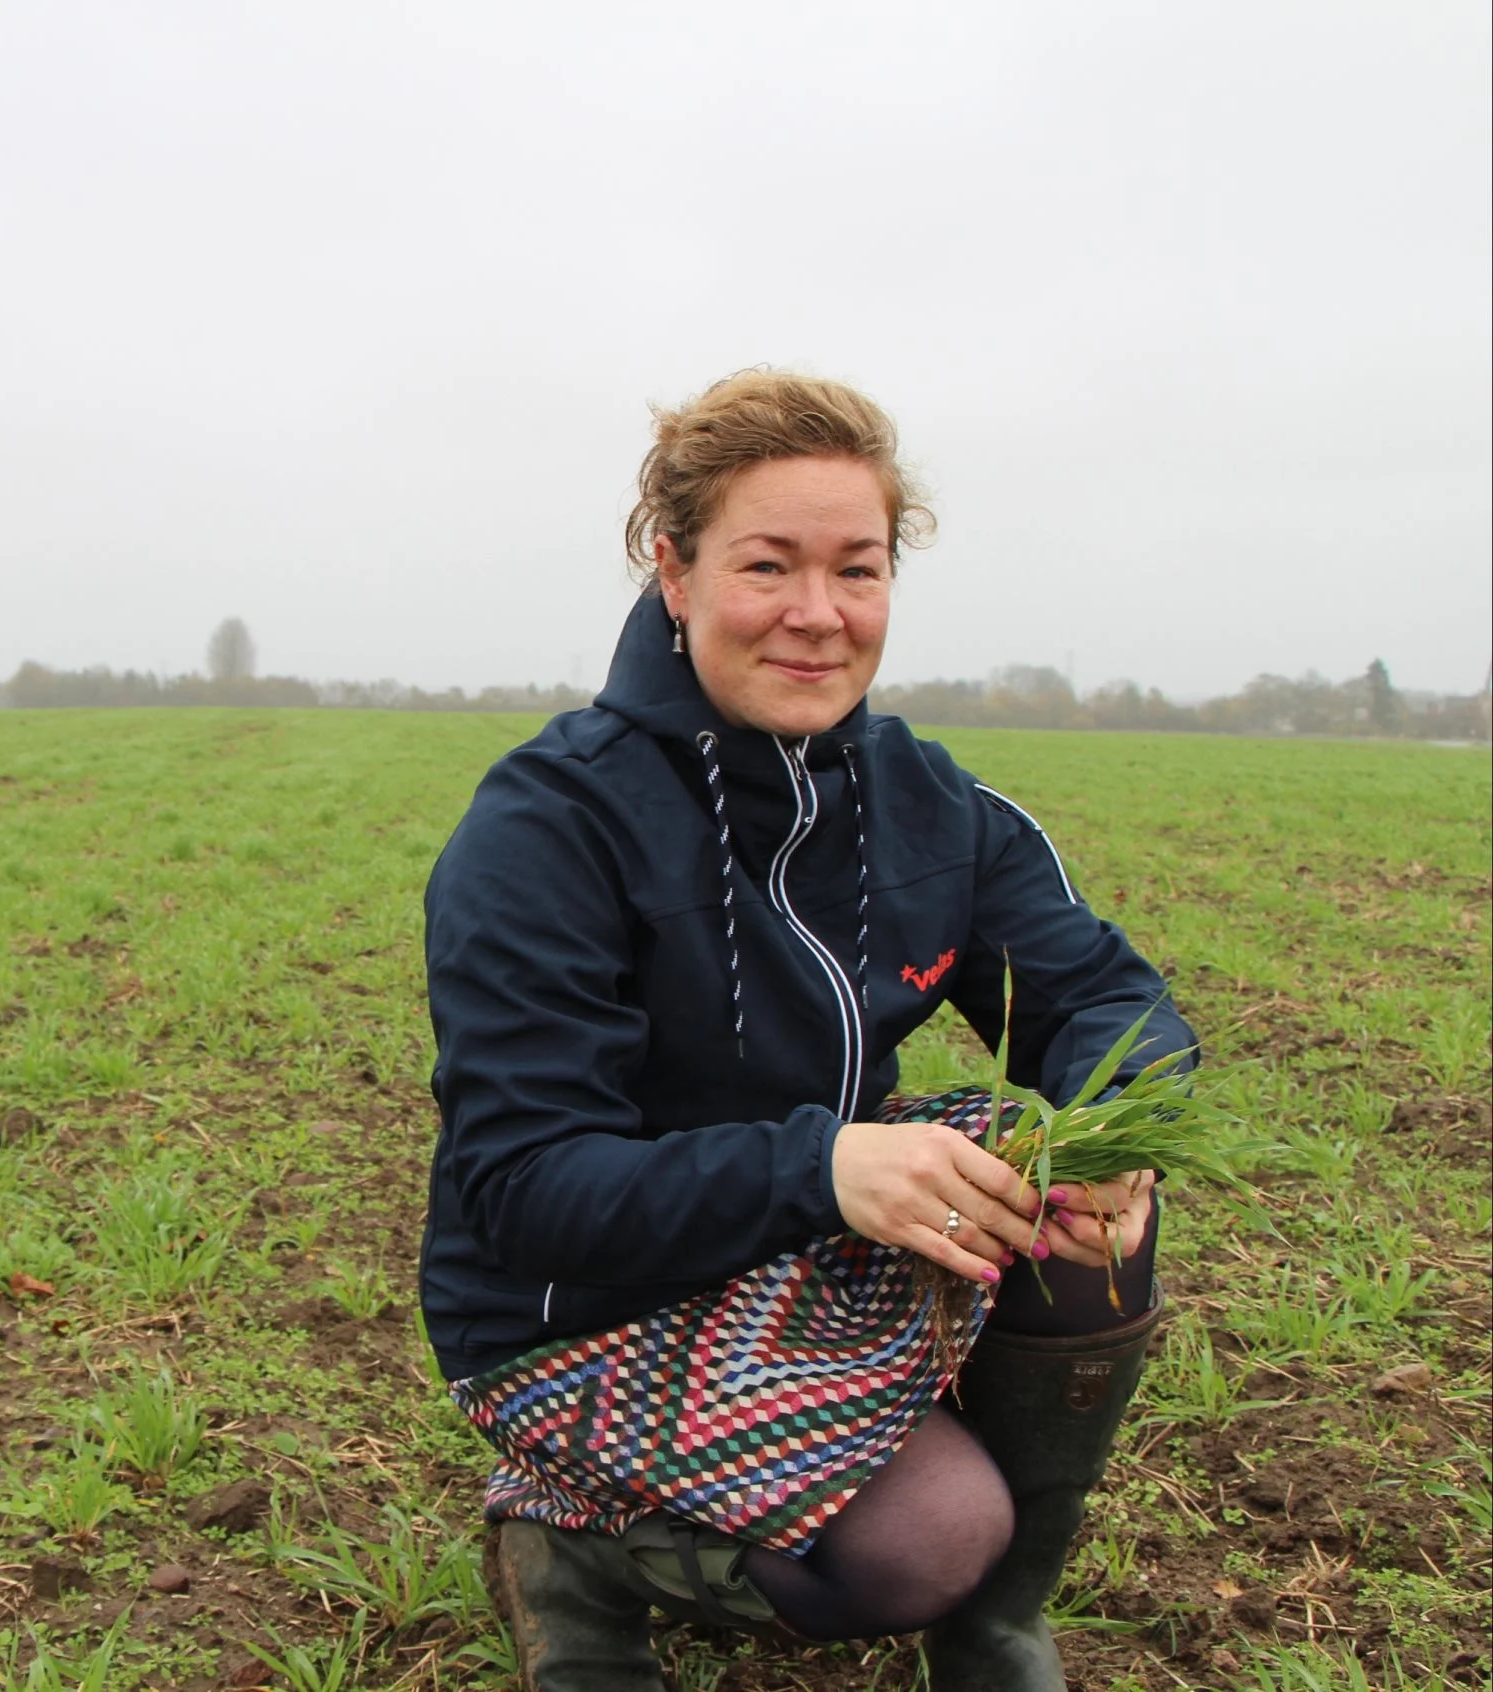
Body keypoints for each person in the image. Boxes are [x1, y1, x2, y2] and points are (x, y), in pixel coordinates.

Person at [418, 369, 1195, 1691]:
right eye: (767, 566)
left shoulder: (930, 807)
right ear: (672, 570)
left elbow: (1111, 1006)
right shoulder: (551, 827)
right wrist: (828, 1166)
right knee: (925, 1535)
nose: (818, 617)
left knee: (1061, 1187)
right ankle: (574, 1552)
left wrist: (1111, 1129)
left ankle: (997, 1621)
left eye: (859, 569)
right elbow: (526, 1188)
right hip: (581, 1311)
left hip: (807, 1241)